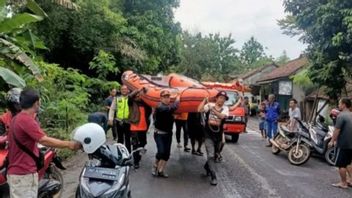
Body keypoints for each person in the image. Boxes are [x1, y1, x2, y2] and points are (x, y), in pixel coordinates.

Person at [7, 88, 81, 198]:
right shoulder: (26, 120)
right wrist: (69, 144)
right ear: (36, 103)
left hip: (19, 173)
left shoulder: (16, 119)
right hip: (23, 174)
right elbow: (44, 140)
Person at [198, 91, 229, 186]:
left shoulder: (225, 108)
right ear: (216, 98)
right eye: (220, 98)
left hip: (218, 136)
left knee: (215, 155)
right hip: (208, 135)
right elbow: (199, 110)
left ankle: (207, 167)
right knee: (211, 155)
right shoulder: (209, 105)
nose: (222, 100)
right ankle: (213, 176)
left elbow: (222, 116)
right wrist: (204, 100)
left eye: (223, 99)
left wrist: (213, 110)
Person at [152, 90, 180, 178]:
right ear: (161, 98)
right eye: (165, 97)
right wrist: (178, 98)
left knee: (167, 154)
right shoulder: (160, 107)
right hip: (159, 134)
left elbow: (172, 113)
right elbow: (173, 107)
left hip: (168, 134)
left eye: (168, 97)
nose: (167, 99)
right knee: (161, 152)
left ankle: (161, 170)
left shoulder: (168, 108)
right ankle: (155, 165)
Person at [328, 98, 352, 189]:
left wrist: (332, 141)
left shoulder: (341, 116)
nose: (338, 105)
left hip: (344, 144)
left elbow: (337, 130)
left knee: (341, 164)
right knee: (348, 163)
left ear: (344, 105)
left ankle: (343, 183)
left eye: (339, 104)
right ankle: (351, 180)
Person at [128, 87, 152, 169]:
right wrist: (137, 90)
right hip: (134, 127)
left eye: (139, 95)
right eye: (137, 95)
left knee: (143, 143)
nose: (138, 96)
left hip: (144, 127)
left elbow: (150, 106)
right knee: (135, 145)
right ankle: (136, 162)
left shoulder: (145, 104)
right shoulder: (132, 103)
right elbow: (130, 97)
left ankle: (139, 154)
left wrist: (145, 92)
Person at [108, 85, 131, 152]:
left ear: (128, 90)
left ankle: (128, 153)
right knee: (120, 138)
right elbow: (112, 109)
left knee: (128, 139)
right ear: (120, 90)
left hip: (128, 122)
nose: (124, 90)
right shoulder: (117, 98)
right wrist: (110, 119)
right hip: (119, 121)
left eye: (125, 89)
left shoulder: (130, 98)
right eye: (122, 89)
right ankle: (119, 153)